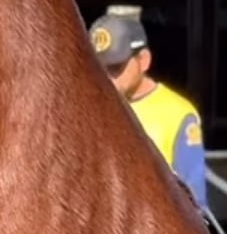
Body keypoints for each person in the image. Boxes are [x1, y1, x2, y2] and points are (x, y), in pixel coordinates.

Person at [88, 13, 207, 209]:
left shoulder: (178, 114)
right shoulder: (93, 107)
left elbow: (194, 201)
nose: (107, 78)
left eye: (116, 67)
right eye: (100, 68)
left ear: (143, 60)